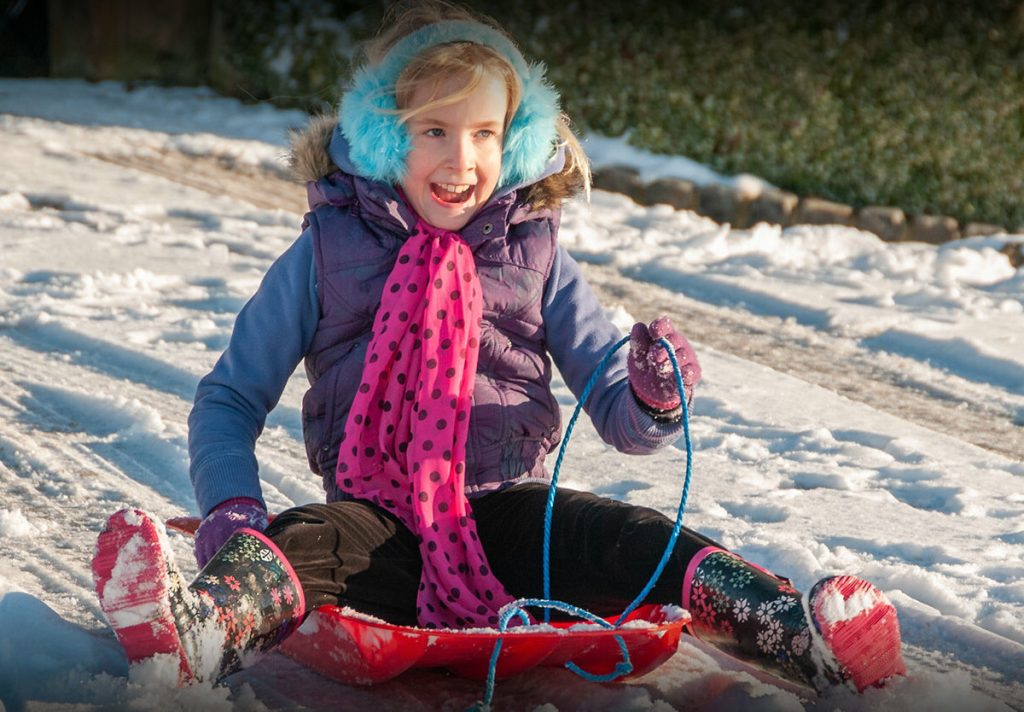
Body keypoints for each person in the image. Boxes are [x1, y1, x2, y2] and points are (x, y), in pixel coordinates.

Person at [92, 0, 905, 694]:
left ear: (514, 143)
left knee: (624, 536)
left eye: (486, 133)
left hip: (506, 511)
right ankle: (201, 628)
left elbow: (618, 414)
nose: (462, 159)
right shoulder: (325, 256)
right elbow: (231, 396)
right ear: (382, 140)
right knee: (307, 542)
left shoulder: (538, 258)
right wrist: (234, 511)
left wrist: (655, 394)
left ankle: (792, 631)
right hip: (378, 523)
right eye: (435, 130)